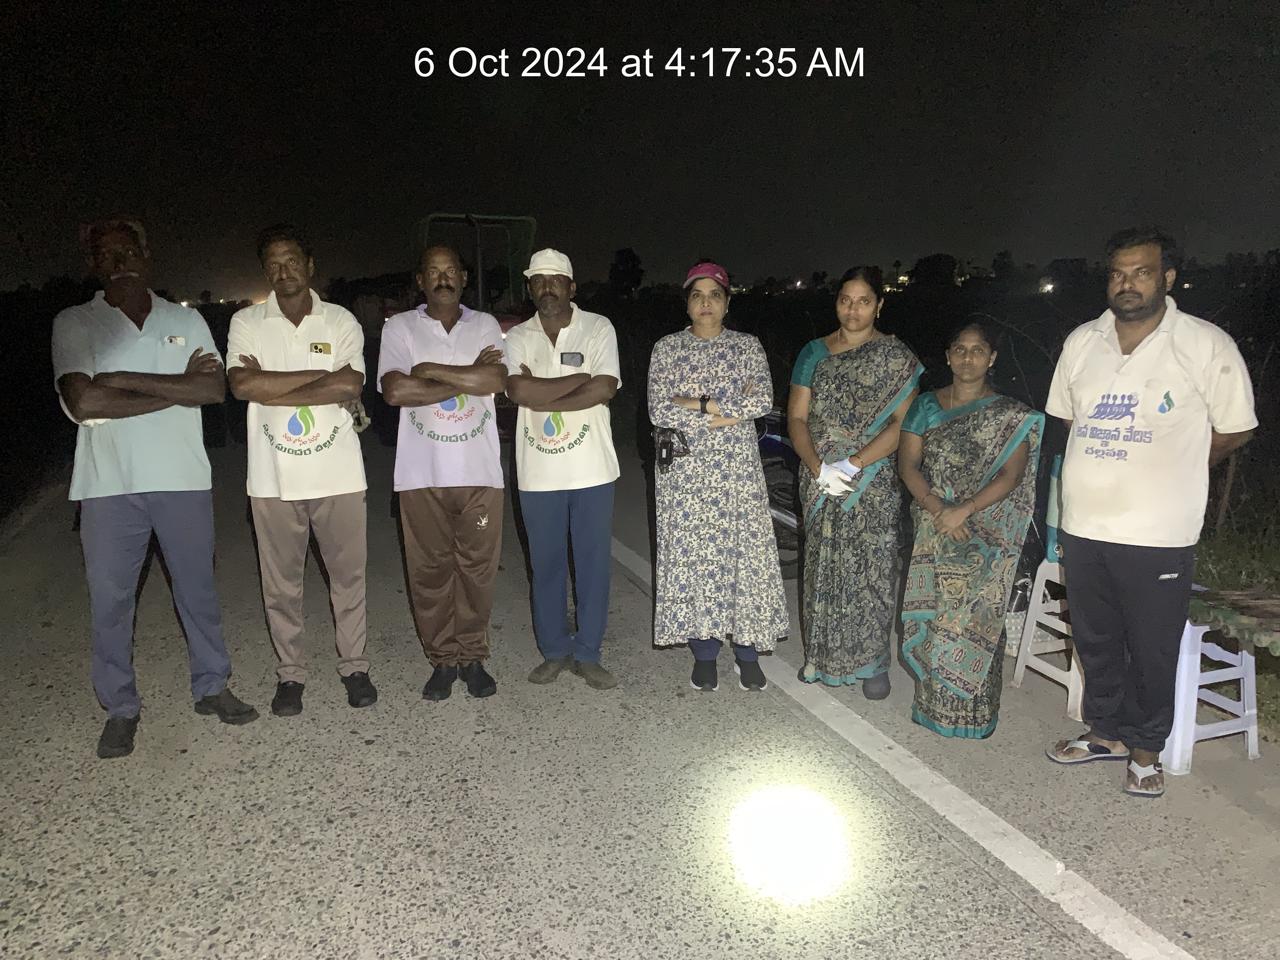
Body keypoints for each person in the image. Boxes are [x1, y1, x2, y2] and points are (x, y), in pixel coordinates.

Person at [1044, 226, 1256, 798]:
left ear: (1167, 278)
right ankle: (1105, 732)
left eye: (1141, 272)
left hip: (1159, 531)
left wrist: (1177, 463)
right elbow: (1070, 419)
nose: (1127, 284)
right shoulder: (1083, 341)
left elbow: (1234, 428)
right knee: (1095, 640)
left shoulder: (1204, 344)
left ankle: (1145, 750)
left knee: (1152, 646)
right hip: (1085, 525)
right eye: (1118, 273)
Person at [51, 217, 258, 759]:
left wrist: (119, 380)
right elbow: (84, 401)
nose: (119, 261)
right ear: (93, 265)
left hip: (182, 478)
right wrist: (176, 390)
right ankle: (120, 708)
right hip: (107, 485)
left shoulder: (183, 319)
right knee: (111, 601)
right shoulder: (75, 322)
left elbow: (212, 389)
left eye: (128, 250)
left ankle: (212, 686)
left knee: (198, 591)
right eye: (106, 254)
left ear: (147, 255)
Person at [227, 224, 375, 716]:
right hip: (271, 478)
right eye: (273, 263)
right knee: (281, 585)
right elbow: (242, 385)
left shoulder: (340, 320)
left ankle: (355, 666)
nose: (283, 270)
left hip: (339, 475)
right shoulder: (247, 322)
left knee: (347, 579)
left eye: (292, 260)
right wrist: (321, 378)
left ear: (310, 265)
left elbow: (350, 384)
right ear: (264, 270)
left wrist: (272, 386)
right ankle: (290, 674)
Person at [647, 261, 789, 691]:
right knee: (694, 560)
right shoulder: (667, 349)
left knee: (743, 557)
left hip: (736, 473)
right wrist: (721, 408)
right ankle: (704, 653)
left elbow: (761, 401)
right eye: (697, 295)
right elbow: (659, 409)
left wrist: (693, 402)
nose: (705, 303)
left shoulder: (747, 347)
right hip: (685, 476)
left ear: (727, 303)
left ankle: (747, 654)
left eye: (714, 295)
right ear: (687, 303)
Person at [898, 322, 1044, 738]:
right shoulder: (925, 406)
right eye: (959, 349)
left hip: (986, 531)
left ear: (991, 358)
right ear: (948, 356)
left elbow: (1012, 475)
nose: (967, 358)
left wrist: (964, 510)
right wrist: (938, 508)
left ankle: (976, 716)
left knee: (979, 617)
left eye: (977, 350)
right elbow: (908, 465)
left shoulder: (1010, 415)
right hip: (934, 525)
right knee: (938, 615)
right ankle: (932, 707)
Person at [378, 244, 507, 701]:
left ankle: (472, 657)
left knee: (476, 572)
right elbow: (395, 391)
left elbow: (495, 381)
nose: (443, 278)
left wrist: (430, 370)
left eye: (451, 270)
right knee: (429, 573)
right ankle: (442, 660)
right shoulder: (399, 326)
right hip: (420, 475)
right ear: (420, 280)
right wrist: (467, 376)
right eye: (433, 271)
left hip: (479, 474)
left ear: (464, 278)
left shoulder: (485, 324)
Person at [788, 266, 922, 699]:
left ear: (879, 305)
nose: (853, 309)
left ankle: (872, 664)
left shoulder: (896, 357)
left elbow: (904, 422)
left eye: (864, 301)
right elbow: (797, 418)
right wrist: (818, 467)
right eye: (846, 300)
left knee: (873, 569)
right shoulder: (813, 352)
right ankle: (820, 657)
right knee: (822, 566)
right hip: (820, 477)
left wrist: (853, 463)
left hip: (873, 479)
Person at [504, 248, 621, 690]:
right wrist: (577, 380)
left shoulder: (598, 327)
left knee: (592, 566)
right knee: (546, 565)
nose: (547, 288)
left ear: (572, 287)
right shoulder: (518, 336)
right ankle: (554, 650)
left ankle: (588, 653)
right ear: (530, 288)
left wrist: (541, 392)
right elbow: (517, 391)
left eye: (555, 280)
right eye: (538, 281)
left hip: (592, 469)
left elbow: (604, 388)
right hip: (538, 473)